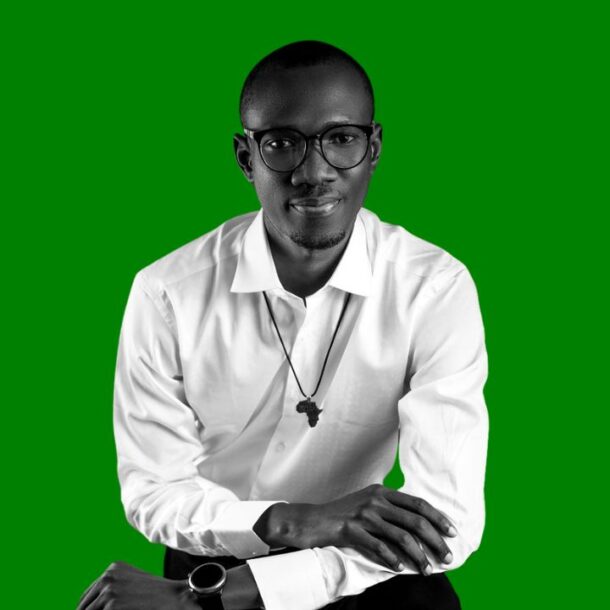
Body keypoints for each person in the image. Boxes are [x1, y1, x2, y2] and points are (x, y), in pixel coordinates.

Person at [79, 40, 488, 609]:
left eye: (341, 139)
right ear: (246, 157)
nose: (314, 172)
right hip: (216, 547)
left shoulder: (434, 287)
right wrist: (290, 521)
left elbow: (447, 522)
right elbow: (154, 490)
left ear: (373, 148)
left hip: (362, 559)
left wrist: (210, 598)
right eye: (282, 144)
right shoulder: (167, 292)